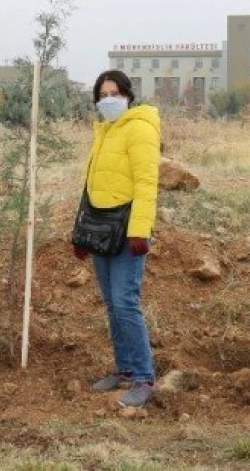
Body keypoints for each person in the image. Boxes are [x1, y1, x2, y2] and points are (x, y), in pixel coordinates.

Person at [73, 70, 160, 408]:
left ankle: (143, 378)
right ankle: (124, 370)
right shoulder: (105, 130)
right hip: (101, 228)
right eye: (103, 94)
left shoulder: (139, 127)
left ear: (128, 96)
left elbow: (146, 181)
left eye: (115, 93)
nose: (108, 99)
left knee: (125, 303)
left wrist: (140, 229)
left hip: (127, 230)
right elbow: (92, 183)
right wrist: (82, 231)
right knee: (112, 304)